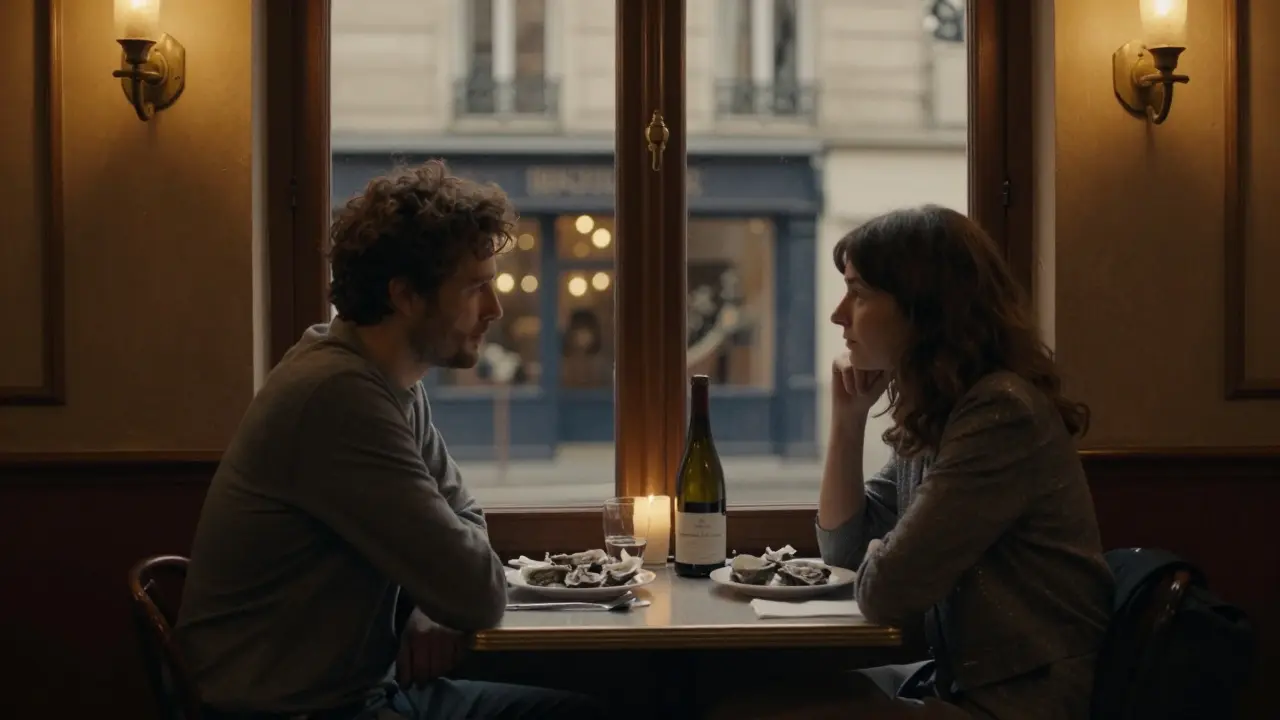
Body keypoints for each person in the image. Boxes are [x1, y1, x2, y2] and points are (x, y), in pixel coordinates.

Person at [175, 161, 604, 720]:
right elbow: (477, 589)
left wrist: (433, 600)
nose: (495, 310)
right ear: (405, 296)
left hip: (359, 696)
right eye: (476, 287)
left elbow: (466, 523)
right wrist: (443, 590)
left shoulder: (392, 380)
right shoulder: (337, 397)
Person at [787, 205, 1112, 719]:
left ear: (923, 308)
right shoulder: (943, 410)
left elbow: (885, 591)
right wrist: (847, 422)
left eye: (861, 292)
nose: (839, 313)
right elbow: (846, 551)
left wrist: (886, 554)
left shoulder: (999, 413)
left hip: (1016, 700)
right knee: (767, 688)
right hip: (955, 680)